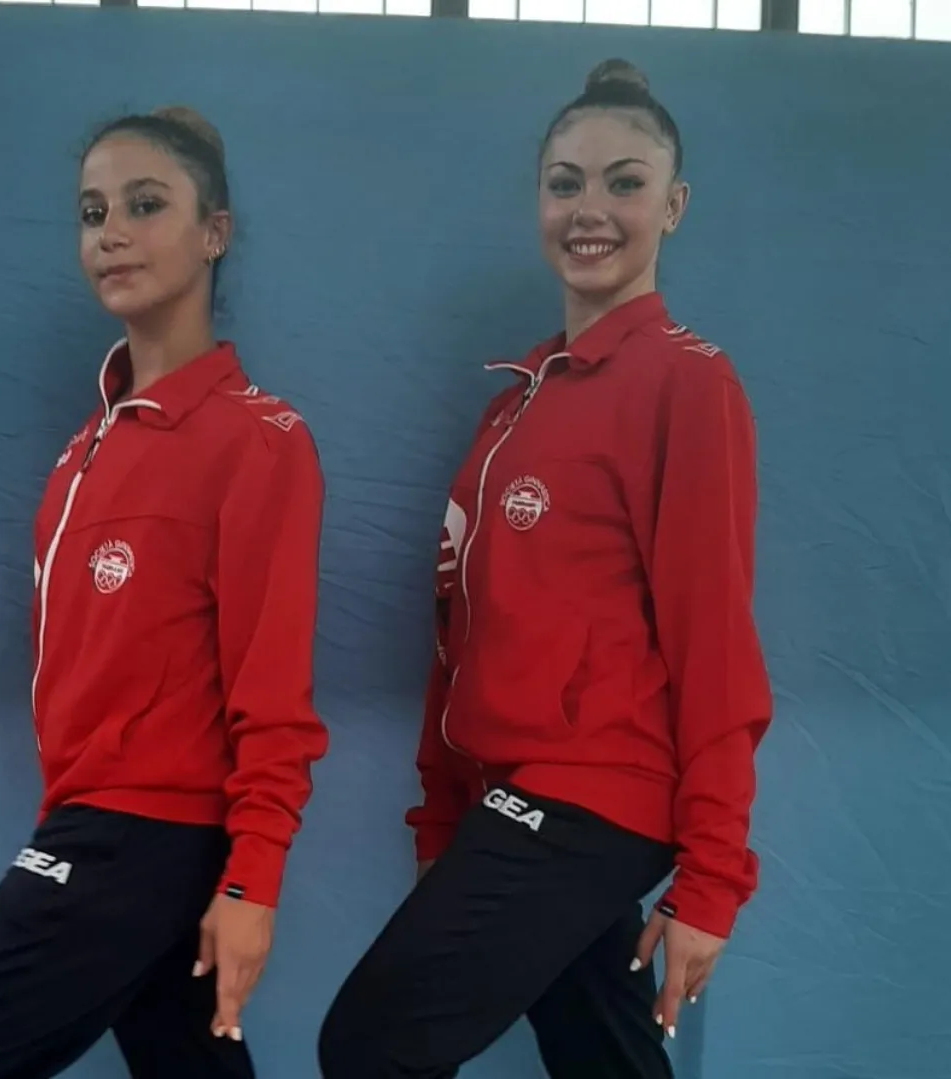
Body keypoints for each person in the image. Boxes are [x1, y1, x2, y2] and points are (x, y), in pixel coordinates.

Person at [317, 59, 773, 1078]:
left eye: (625, 182)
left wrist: (713, 876)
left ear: (673, 206)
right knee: (603, 1053)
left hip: (594, 795)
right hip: (510, 793)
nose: (590, 209)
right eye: (565, 183)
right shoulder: (510, 411)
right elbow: (459, 632)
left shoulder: (687, 383)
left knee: (370, 1043)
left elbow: (713, 642)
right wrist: (442, 817)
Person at [0, 106, 329, 1079]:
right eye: (93, 213)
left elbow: (274, 692)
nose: (112, 233)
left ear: (214, 232)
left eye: (145, 204)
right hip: (89, 817)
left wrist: (252, 880)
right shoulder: (81, 455)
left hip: (147, 833)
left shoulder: (259, 440)